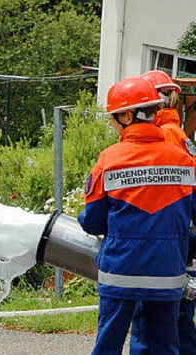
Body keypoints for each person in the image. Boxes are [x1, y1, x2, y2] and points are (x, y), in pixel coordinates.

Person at [77, 76, 196, 354]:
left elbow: (93, 221)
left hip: (121, 273)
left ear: (127, 116)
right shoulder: (183, 159)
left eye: (113, 118)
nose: (111, 124)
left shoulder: (110, 159)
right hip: (167, 274)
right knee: (165, 348)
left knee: (108, 346)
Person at [139, 70, 196, 355]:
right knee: (181, 315)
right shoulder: (178, 132)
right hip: (184, 229)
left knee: (159, 318)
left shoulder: (162, 136)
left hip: (171, 233)